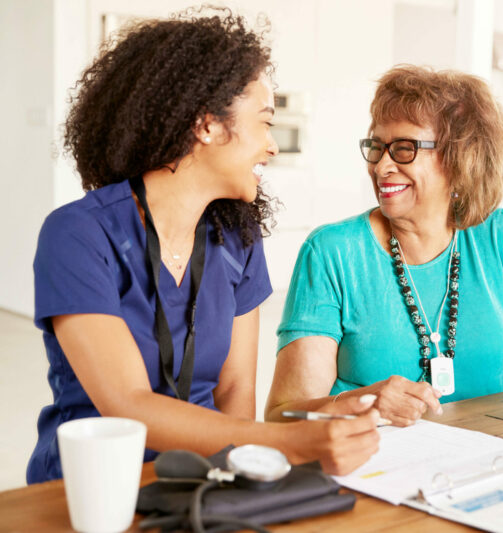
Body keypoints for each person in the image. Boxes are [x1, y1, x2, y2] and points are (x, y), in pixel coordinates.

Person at [28, 7, 378, 484]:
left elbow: (235, 390)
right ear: (207, 125)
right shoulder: (77, 235)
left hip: (204, 480)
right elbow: (127, 403)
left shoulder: (238, 239)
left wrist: (241, 478)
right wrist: (291, 444)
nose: (272, 146)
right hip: (91, 485)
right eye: (264, 122)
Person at [267, 65, 503, 427]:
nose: (381, 167)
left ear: (460, 159)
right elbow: (284, 414)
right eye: (376, 147)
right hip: (371, 467)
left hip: (488, 467)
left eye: (403, 149)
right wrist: (360, 404)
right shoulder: (333, 253)